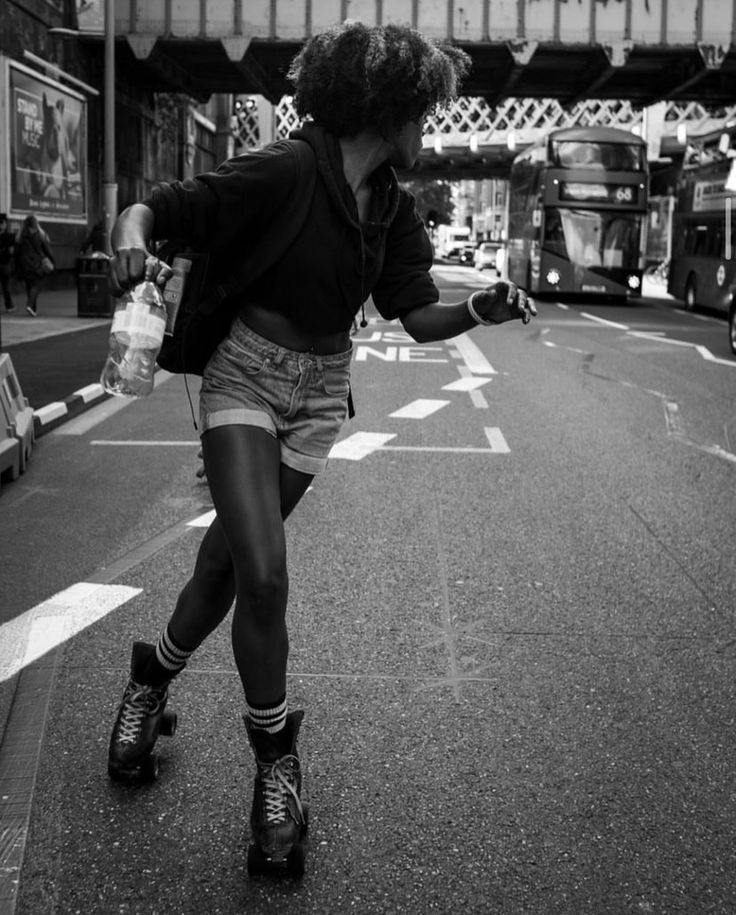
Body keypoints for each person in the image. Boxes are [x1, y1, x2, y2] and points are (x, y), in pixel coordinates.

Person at [106, 20, 536, 870]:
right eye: (424, 114)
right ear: (388, 108)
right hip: (244, 380)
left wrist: (483, 307)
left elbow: (416, 314)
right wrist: (129, 237)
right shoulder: (284, 169)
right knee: (264, 574)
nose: (430, 130)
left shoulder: (392, 210)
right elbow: (162, 208)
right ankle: (277, 769)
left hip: (315, 401)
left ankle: (149, 680)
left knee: (227, 569)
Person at [14, 215, 54, 316]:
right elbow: (47, 250)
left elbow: (16, 253)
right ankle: (30, 305)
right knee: (36, 284)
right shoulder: (40, 235)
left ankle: (33, 309)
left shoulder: (20, 236)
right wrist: (52, 261)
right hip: (36, 263)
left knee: (29, 285)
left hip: (23, 265)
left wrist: (16, 265)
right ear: (36, 224)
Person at [0, 214, 15, 312]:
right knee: (6, 287)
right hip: (5, 264)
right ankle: (9, 306)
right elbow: (11, 251)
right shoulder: (9, 237)